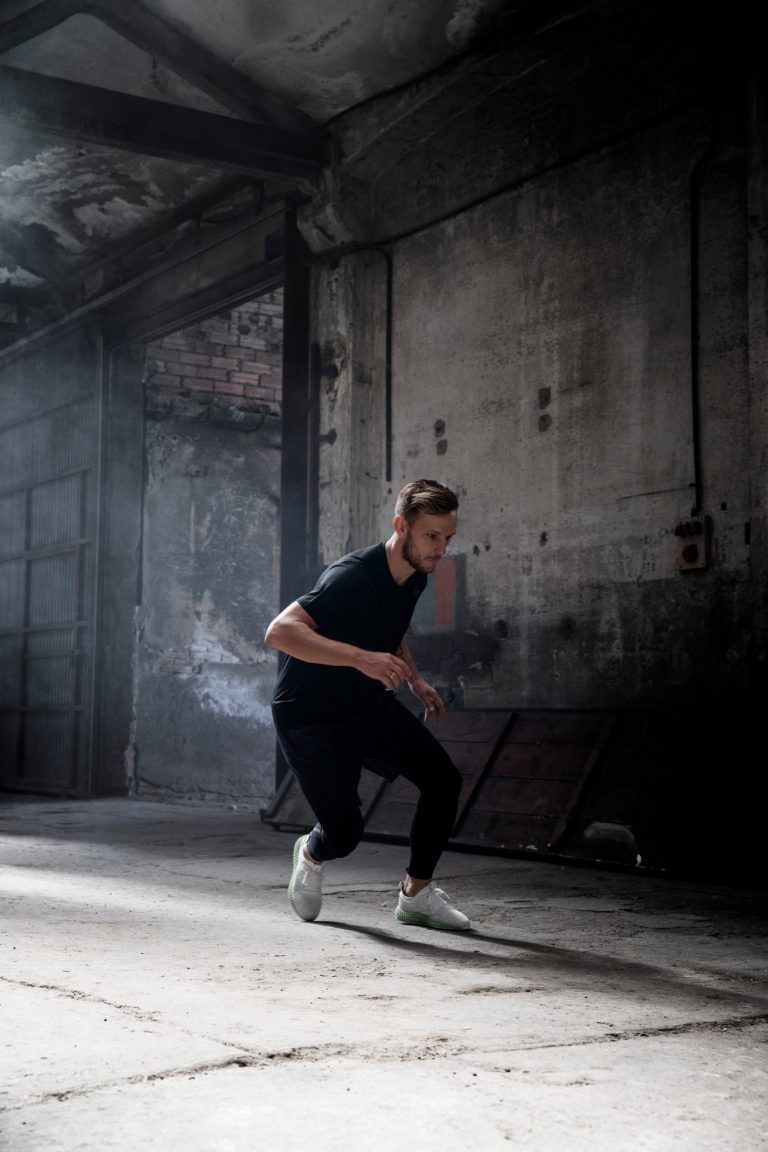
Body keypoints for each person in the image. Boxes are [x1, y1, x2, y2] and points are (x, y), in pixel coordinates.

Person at [265, 478, 470, 931]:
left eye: (448, 538)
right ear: (401, 527)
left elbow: (388, 626)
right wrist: (362, 659)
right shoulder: (352, 577)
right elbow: (279, 632)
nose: (441, 549)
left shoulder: (415, 575)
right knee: (344, 834)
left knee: (443, 780)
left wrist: (414, 677)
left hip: (363, 704)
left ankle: (416, 896)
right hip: (309, 715)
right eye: (431, 536)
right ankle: (311, 852)